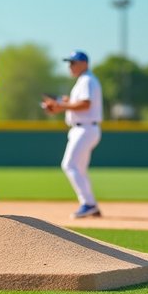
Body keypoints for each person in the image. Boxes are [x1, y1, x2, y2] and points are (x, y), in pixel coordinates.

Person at [41, 50, 104, 218]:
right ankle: (92, 205)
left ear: (84, 63)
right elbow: (80, 103)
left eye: (73, 62)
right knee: (79, 169)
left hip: (85, 129)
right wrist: (64, 103)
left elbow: (85, 104)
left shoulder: (87, 80)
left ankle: (88, 204)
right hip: (85, 128)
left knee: (69, 165)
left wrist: (60, 106)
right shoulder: (85, 80)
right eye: (69, 63)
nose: (70, 66)